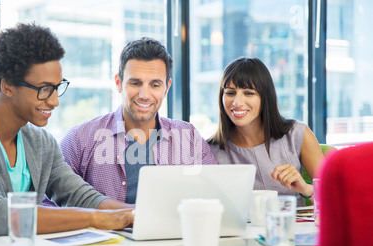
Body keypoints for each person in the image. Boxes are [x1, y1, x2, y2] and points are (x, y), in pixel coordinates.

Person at [0, 22, 134, 237]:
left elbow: (83, 197)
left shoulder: (41, 143)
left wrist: (139, 214)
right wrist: (94, 219)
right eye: (44, 89)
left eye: (57, 88)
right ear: (7, 86)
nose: (54, 101)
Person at [46, 37, 216, 204]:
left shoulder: (189, 138)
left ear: (167, 88)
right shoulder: (80, 139)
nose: (144, 95)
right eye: (135, 83)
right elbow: (48, 205)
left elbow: (217, 196)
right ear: (118, 83)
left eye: (155, 85)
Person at [208, 57, 323, 206]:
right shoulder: (210, 151)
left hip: (290, 228)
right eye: (230, 93)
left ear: (265, 97)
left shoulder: (297, 135)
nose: (237, 102)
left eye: (249, 93)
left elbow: (337, 198)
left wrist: (306, 189)